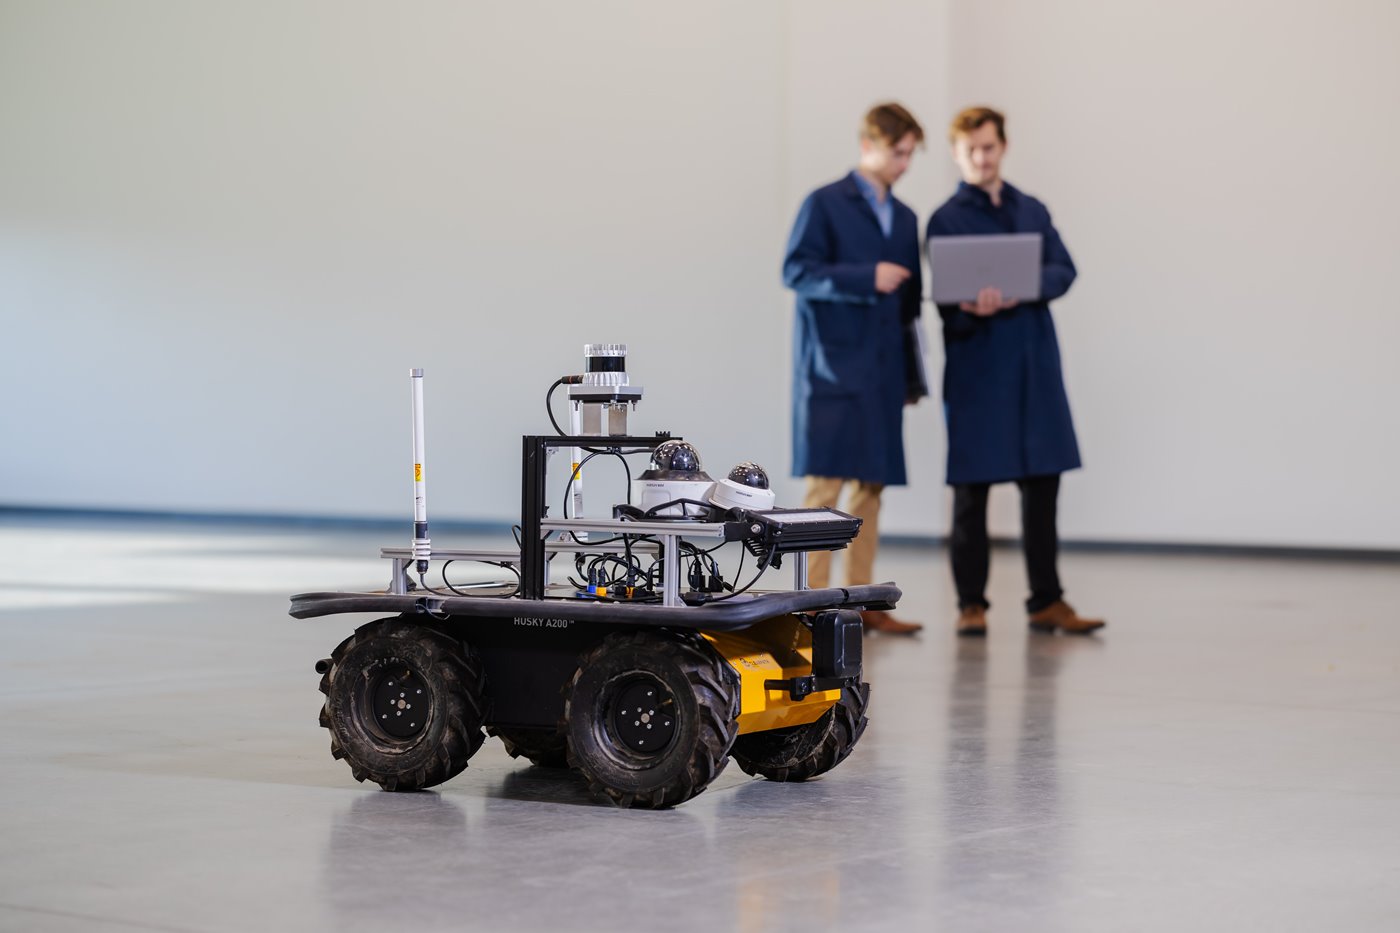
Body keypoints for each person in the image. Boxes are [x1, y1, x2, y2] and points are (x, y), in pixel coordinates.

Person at [926, 106, 1104, 637]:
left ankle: (1047, 601)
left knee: (1042, 484)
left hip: (1033, 364)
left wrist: (1020, 287)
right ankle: (971, 605)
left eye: (989, 147)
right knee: (971, 492)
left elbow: (1063, 268)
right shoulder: (946, 218)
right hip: (979, 365)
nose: (982, 157)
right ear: (958, 155)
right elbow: (944, 294)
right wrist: (970, 305)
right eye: (972, 150)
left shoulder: (1032, 209)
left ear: (1002, 147)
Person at [782, 102, 927, 635]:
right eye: (898, 152)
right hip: (834, 368)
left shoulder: (906, 216)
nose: (905, 164)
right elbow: (796, 271)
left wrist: (911, 378)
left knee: (872, 486)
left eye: (911, 154)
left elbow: (911, 308)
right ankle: (814, 603)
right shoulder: (824, 204)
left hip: (884, 371)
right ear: (869, 144)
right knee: (826, 490)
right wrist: (867, 276)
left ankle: (862, 604)